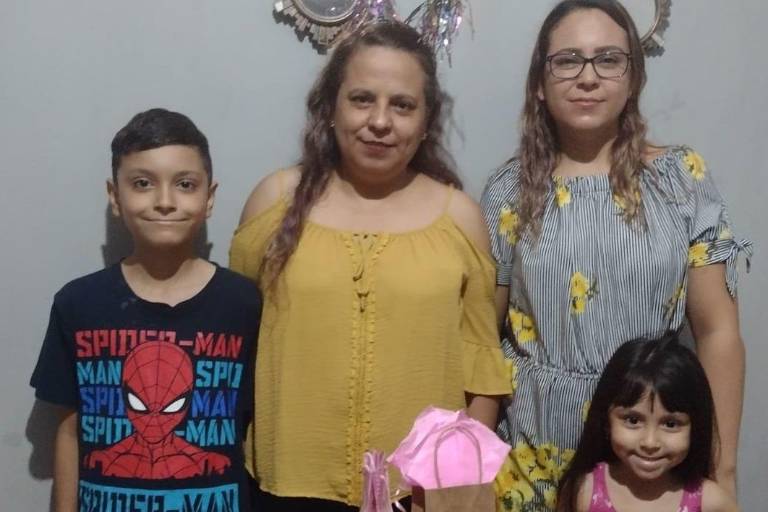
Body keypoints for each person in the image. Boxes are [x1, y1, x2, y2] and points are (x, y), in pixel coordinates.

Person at [480, 1, 751, 510]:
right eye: (568, 60)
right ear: (540, 82)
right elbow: (481, 342)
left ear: (633, 78)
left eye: (608, 59)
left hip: (649, 461)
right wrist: (468, 464)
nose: (588, 77)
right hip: (530, 460)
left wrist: (723, 469)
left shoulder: (681, 180)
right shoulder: (508, 192)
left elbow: (718, 332)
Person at [230, 21, 510, 511]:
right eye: (362, 99)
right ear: (331, 108)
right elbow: (232, 344)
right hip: (288, 485)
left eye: (402, 105)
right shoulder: (273, 203)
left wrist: (455, 487)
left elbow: (482, 373)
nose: (380, 121)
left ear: (426, 120)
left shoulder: (460, 219)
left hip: (418, 493)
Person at [30, 108, 261, 512]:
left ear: (209, 198)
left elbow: (258, 428)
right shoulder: (79, 303)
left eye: (185, 184)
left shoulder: (243, 304)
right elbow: (68, 430)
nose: (165, 202)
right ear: (114, 196)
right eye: (142, 183)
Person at [556, 334, 738, 512]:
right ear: (606, 421)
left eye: (670, 424)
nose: (650, 443)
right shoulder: (584, 492)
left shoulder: (711, 502)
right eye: (633, 420)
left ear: (695, 428)